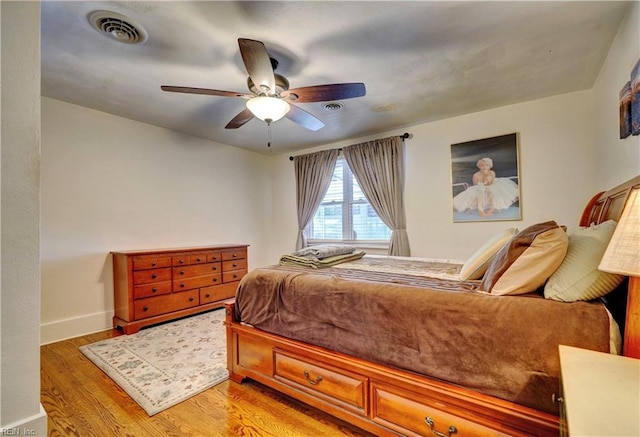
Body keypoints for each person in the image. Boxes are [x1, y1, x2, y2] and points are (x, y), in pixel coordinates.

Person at [453, 157, 519, 217]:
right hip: (479, 187)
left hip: (492, 185)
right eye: (482, 165)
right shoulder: (476, 175)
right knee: (480, 190)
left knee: (492, 190)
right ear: (479, 166)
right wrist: (482, 185)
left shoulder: (492, 173)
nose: (484, 167)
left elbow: (491, 183)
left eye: (487, 165)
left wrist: (487, 177)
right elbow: (475, 185)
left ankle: (492, 208)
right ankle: (480, 208)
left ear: (489, 167)